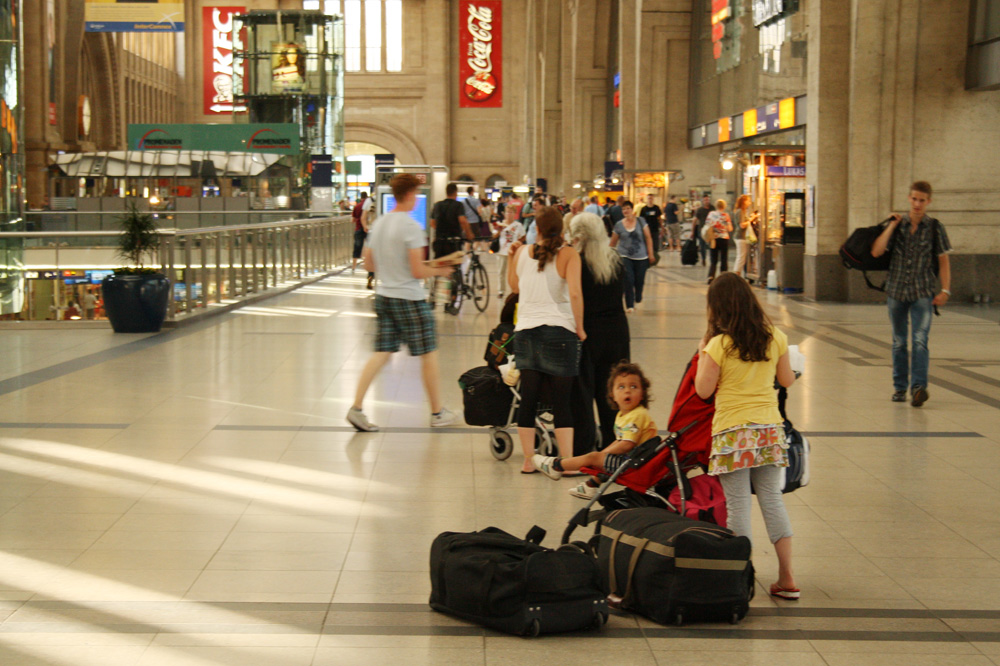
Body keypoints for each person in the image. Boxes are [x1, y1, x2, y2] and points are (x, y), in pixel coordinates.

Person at [694, 272, 798, 601]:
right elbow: (786, 380)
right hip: (768, 429)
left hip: (733, 432)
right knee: (771, 499)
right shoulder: (775, 336)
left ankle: (741, 580)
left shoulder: (718, 345)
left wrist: (702, 353)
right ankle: (787, 577)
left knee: (738, 506)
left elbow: (703, 390)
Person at [346, 174, 458, 432]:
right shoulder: (409, 227)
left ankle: (357, 408)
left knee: (382, 352)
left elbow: (369, 264)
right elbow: (418, 271)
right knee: (428, 353)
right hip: (410, 299)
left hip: (385, 296)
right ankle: (437, 412)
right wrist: (440, 270)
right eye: (417, 193)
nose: (417, 198)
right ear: (409, 194)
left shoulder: (380, 223)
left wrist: (392, 270)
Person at [507, 206, 586, 473]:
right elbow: (575, 293)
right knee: (562, 401)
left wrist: (510, 259)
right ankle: (566, 462)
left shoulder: (520, 252)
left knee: (527, 399)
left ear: (536, 229)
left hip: (526, 332)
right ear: (562, 229)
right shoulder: (569, 254)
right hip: (559, 331)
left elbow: (515, 288)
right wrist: (581, 328)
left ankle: (529, 460)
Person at [870, 180, 951, 407]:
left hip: (922, 292)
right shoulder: (897, 225)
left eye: (922, 200)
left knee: (920, 341)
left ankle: (918, 387)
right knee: (898, 342)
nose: (917, 204)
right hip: (896, 291)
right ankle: (899, 388)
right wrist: (891, 226)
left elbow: (944, 262)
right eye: (914, 199)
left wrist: (945, 290)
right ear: (909, 199)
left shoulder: (935, 227)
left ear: (928, 202)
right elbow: (876, 251)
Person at [533, 361, 656, 496]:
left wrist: (602, 455)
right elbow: (621, 441)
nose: (627, 390)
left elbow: (626, 444)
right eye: (621, 387)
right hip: (634, 461)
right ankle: (591, 485)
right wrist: (604, 453)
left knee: (594, 457)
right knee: (600, 458)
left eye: (633, 386)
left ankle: (556, 466)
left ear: (643, 393)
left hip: (636, 465)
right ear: (612, 395)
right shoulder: (624, 415)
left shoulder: (638, 415)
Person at [568, 212, 630, 452]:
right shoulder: (616, 260)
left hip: (586, 331)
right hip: (616, 331)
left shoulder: (577, 263)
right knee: (614, 391)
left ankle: (582, 447)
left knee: (582, 392)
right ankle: (613, 445)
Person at [429, 183, 474, 313]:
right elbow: (463, 221)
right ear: (455, 193)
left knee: (438, 270)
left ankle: (434, 299)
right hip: (453, 243)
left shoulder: (437, 205)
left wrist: (442, 231)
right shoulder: (458, 205)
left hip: (439, 243)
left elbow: (432, 223)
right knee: (454, 271)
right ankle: (450, 304)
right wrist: (469, 234)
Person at [610, 201, 655, 313]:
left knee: (639, 280)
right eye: (623, 209)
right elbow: (613, 243)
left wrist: (651, 254)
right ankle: (630, 305)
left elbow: (648, 238)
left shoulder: (641, 221)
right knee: (628, 280)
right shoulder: (619, 225)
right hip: (624, 255)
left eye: (628, 208)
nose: (626, 211)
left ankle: (638, 295)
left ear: (632, 210)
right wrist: (609, 255)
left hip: (641, 256)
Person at [494, 204, 524, 298]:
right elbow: (494, 236)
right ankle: (501, 290)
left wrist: (518, 243)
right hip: (502, 251)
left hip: (513, 252)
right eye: (507, 212)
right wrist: (499, 231)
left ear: (514, 214)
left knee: (513, 272)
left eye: (511, 212)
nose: (509, 214)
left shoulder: (518, 225)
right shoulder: (500, 224)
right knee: (501, 272)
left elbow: (523, 236)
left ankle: (514, 289)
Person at [705, 198, 733, 283]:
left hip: (714, 238)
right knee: (724, 258)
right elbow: (730, 228)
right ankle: (724, 277)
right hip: (724, 238)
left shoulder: (711, 214)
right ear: (724, 206)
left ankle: (711, 276)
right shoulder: (725, 215)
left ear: (716, 206)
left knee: (713, 259)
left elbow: (707, 225)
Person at [732, 195, 757, 278]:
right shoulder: (740, 212)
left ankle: (737, 274)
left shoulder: (742, 211)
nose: (749, 202)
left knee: (742, 256)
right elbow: (742, 225)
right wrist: (751, 219)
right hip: (740, 237)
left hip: (741, 237)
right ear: (743, 202)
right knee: (741, 257)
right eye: (748, 201)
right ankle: (736, 274)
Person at [638, 194, 663, 265]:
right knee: (646, 245)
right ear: (647, 199)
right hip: (646, 230)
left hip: (655, 229)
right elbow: (641, 220)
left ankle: (654, 259)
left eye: (651, 198)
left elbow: (659, 218)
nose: (650, 200)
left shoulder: (656, 208)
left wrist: (662, 227)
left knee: (655, 245)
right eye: (649, 198)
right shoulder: (644, 209)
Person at [351, 192, 370, 274]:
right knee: (369, 247)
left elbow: (352, 220)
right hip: (369, 229)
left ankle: (353, 267)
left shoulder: (357, 206)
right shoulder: (370, 205)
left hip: (359, 229)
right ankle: (369, 265)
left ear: (361, 197)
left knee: (357, 248)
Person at [693, 196, 714, 266]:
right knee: (702, 245)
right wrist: (693, 231)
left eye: (708, 200)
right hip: (702, 229)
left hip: (711, 230)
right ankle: (703, 259)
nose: (707, 201)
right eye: (705, 200)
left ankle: (712, 259)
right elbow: (695, 220)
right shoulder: (700, 210)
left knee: (712, 244)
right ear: (703, 201)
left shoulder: (712, 208)